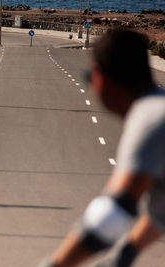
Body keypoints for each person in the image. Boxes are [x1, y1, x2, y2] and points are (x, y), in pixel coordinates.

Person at [39, 28, 165, 267]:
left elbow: (116, 210)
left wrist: (57, 264)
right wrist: (126, 253)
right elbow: (161, 208)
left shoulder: (149, 117)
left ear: (101, 78)